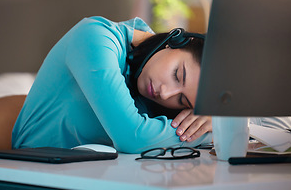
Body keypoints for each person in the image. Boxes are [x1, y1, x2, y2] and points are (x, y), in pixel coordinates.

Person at [12, 16, 212, 154]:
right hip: (26, 175)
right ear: (177, 41)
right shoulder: (95, 37)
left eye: (181, 100)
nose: (165, 93)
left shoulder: (150, 75)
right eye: (177, 75)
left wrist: (211, 118)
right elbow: (132, 136)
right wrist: (212, 131)